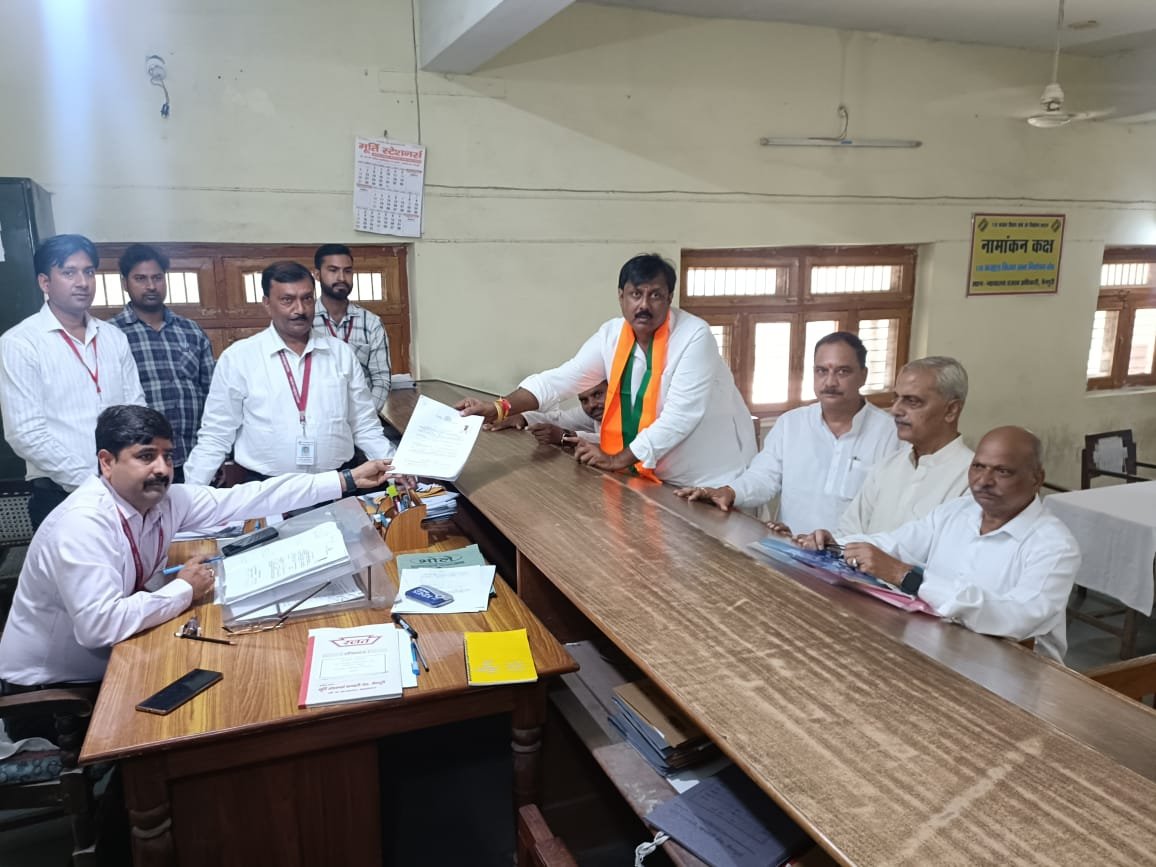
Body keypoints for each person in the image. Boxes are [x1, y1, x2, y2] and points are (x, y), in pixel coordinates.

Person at [0, 405, 394, 717]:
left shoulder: (166, 500)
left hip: (115, 658)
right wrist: (184, 590)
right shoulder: (82, 524)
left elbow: (251, 497)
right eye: (145, 456)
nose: (162, 469)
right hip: (53, 692)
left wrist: (346, 480)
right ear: (107, 462)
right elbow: (98, 626)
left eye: (167, 456)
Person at [456, 254, 756, 488]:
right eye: (636, 294)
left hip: (708, 478)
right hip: (648, 475)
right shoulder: (611, 335)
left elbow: (680, 416)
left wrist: (616, 459)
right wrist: (499, 407)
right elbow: (562, 379)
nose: (644, 305)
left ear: (669, 298)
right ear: (621, 296)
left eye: (655, 295)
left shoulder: (694, 336)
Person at [829, 426, 1079, 662]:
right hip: (935, 648)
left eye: (1002, 471)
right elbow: (895, 543)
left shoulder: (1054, 545)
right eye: (978, 467)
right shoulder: (957, 511)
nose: (984, 481)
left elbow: (1017, 618)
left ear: (1037, 479)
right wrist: (833, 545)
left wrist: (910, 579)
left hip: (1015, 672)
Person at [184, 261, 396, 485]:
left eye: (307, 298)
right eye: (287, 300)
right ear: (267, 304)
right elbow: (216, 434)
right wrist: (191, 493)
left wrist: (397, 470)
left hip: (338, 483)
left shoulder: (340, 354)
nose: (300, 310)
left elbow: (365, 426)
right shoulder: (239, 358)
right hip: (266, 488)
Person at [675, 332, 899, 535]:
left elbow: (890, 513)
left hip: (852, 559)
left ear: (863, 376)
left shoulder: (890, 434)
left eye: (843, 371)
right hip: (790, 550)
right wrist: (729, 492)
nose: (830, 382)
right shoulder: (792, 424)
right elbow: (763, 477)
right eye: (822, 371)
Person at [0, 234, 146, 529]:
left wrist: (129, 474)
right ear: (45, 282)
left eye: (88, 272)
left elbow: (136, 410)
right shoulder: (20, 343)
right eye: (69, 273)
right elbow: (25, 433)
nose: (82, 282)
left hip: (123, 491)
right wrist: (95, 484)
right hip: (60, 497)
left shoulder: (114, 337)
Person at [830, 356, 973, 538]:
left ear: (951, 410)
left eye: (912, 401)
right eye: (896, 398)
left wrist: (880, 555)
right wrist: (825, 544)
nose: (896, 410)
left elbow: (955, 551)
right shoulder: (887, 466)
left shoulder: (971, 479)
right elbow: (848, 533)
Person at [109, 244, 215, 483]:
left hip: (194, 460)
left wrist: (215, 456)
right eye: (140, 278)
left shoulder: (191, 331)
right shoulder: (111, 335)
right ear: (125, 283)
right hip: (140, 463)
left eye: (157, 277)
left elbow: (213, 395)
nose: (151, 286)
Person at [312, 244, 392, 411]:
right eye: (333, 270)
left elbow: (381, 379)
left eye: (347, 271)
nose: (341, 277)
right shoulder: (305, 322)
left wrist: (365, 418)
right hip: (319, 417)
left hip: (363, 416)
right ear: (317, 275)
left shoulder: (371, 323)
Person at [490, 380, 607, 447]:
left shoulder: (618, 412)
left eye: (598, 394)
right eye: (584, 400)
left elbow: (615, 444)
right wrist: (522, 417)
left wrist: (566, 437)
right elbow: (560, 419)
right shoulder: (594, 412)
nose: (591, 405)